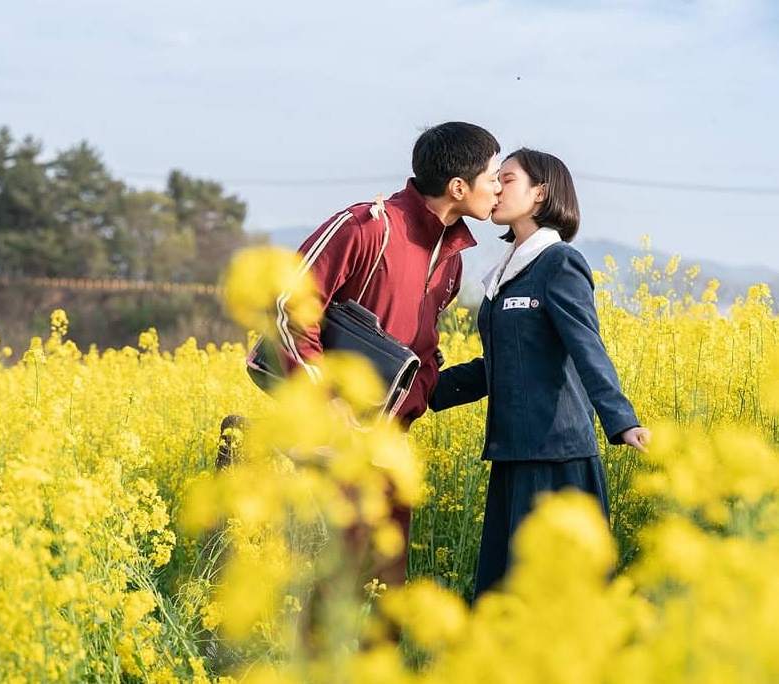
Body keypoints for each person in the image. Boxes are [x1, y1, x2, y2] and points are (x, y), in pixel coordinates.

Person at [266, 121, 501, 596]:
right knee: (324, 592)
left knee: (384, 593)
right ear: (459, 187)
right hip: (328, 444)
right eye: (494, 175)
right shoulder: (366, 226)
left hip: (389, 447)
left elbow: (420, 346)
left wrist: (429, 386)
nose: (499, 187)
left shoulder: (452, 262)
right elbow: (288, 308)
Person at [428, 148, 652, 603]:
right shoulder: (504, 273)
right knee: (506, 595)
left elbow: (587, 347)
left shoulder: (558, 263)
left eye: (506, 179)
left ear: (539, 194)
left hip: (558, 456)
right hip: (513, 456)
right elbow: (501, 365)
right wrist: (424, 389)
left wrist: (622, 419)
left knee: (563, 597)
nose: (494, 188)